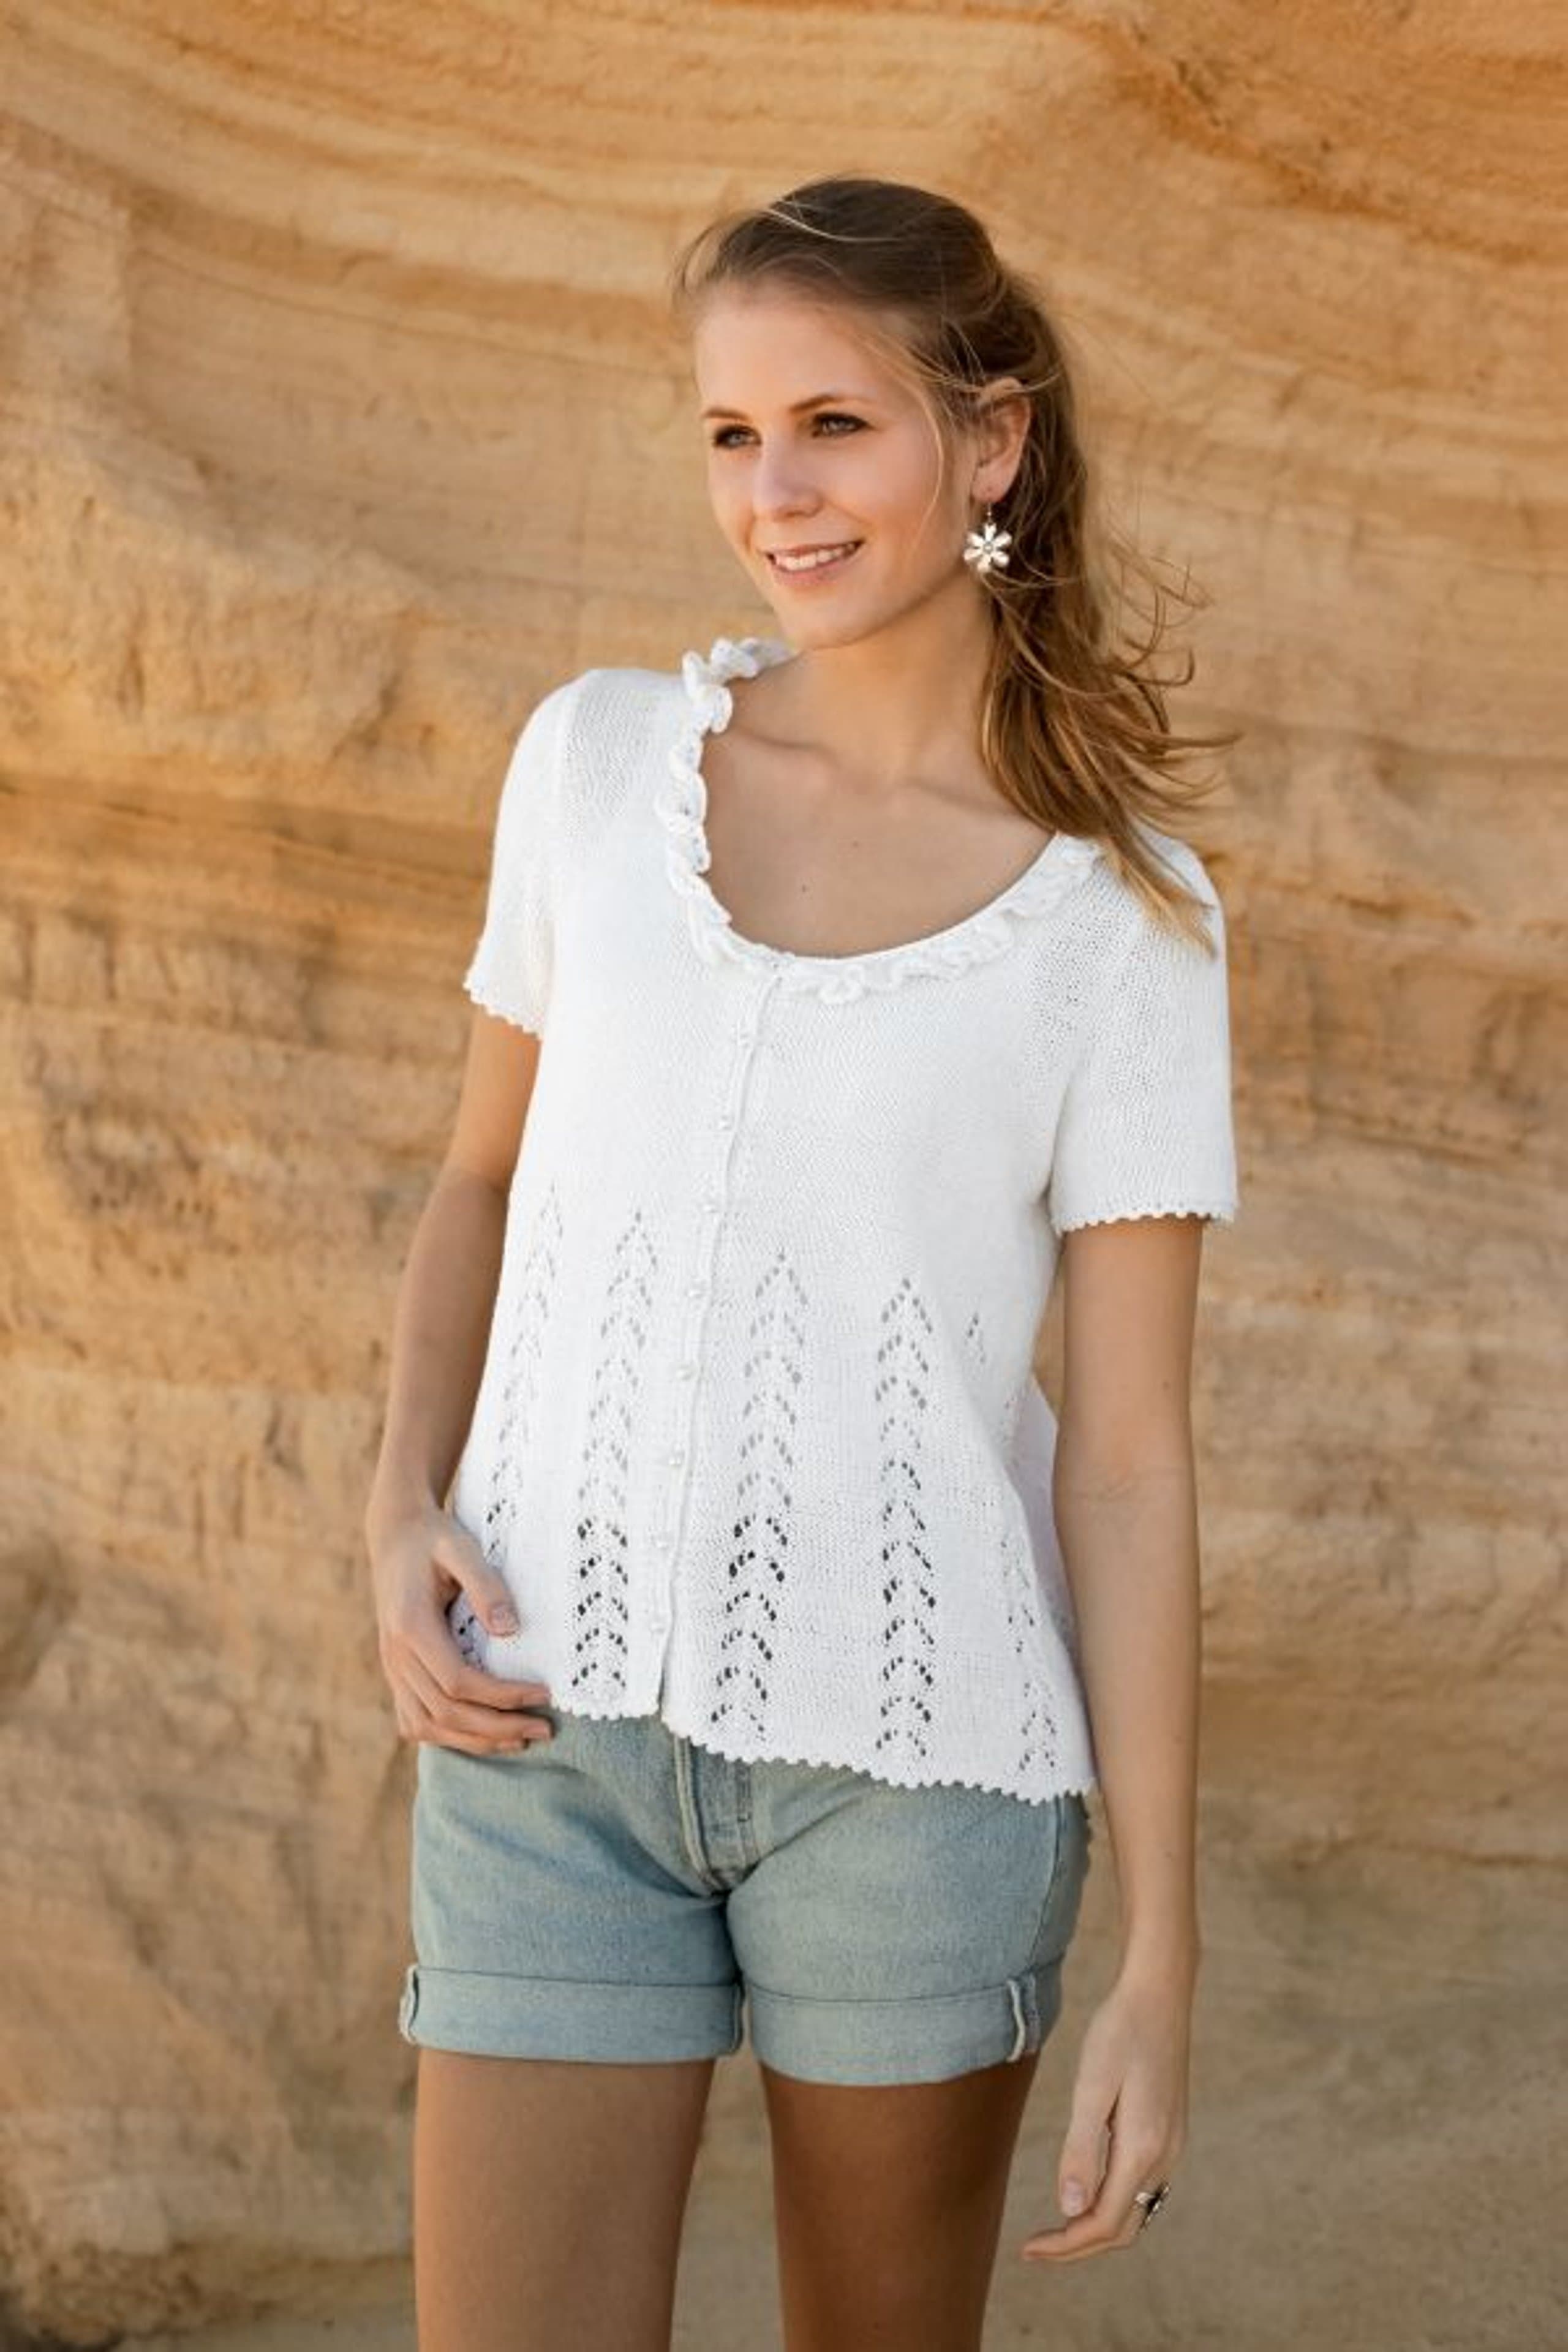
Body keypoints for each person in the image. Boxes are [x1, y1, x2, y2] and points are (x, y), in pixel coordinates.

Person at [364, 174, 1241, 2352]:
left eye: (836, 425)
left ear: (993, 440)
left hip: (920, 1780)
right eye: (733, 435)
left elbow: (1129, 1462)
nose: (776, 496)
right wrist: (398, 1502)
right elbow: (480, 1182)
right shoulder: (592, 767)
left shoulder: (1124, 917)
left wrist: (1161, 1958)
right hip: (539, 1729)